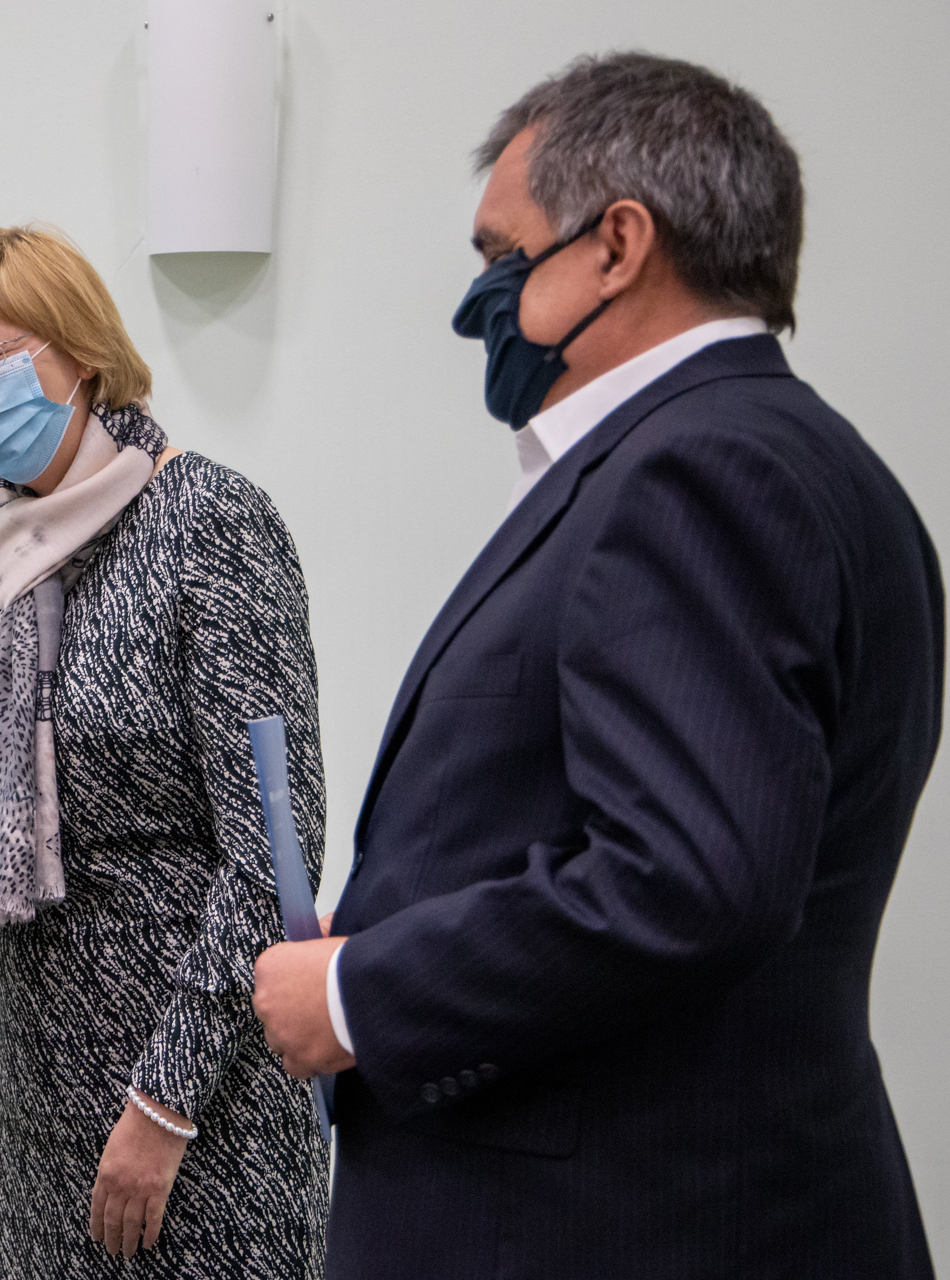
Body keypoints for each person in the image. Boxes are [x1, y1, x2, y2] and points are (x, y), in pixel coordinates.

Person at [252, 53, 941, 1279]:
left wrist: (362, 991)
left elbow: (687, 877)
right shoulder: (813, 462)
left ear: (617, 244)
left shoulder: (696, 472)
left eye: (500, 253)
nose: (477, 302)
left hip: (614, 1220)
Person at [0, 226, 328, 1277]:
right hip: (41, 1068)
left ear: (80, 351)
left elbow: (275, 852)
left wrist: (165, 1099)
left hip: (204, 1075)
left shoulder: (209, 521)